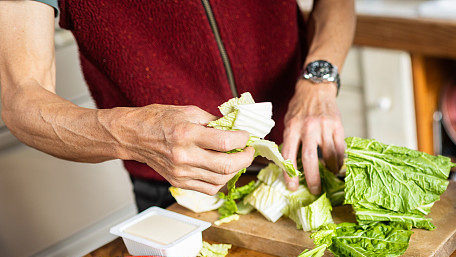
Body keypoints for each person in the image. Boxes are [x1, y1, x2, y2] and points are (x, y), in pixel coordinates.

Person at [0, 0, 354, 211]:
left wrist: (318, 80)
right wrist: (132, 135)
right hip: (175, 183)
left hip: (298, 149)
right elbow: (21, 101)